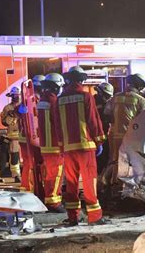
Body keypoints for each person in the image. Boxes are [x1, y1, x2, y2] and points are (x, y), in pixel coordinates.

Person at [58, 66, 107, 225]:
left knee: (71, 183)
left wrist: (61, 145)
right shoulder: (86, 96)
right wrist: (99, 140)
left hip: (68, 148)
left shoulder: (60, 99)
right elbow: (93, 120)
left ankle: (73, 217)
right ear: (81, 80)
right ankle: (94, 216)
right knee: (89, 180)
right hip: (85, 147)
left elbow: (56, 124)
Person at [104, 74, 145, 182]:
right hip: (132, 137)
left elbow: (106, 114)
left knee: (115, 160)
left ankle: (111, 183)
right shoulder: (141, 100)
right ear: (139, 86)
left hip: (115, 136)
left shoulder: (115, 97)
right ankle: (124, 185)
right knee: (131, 162)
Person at [38, 73, 66, 213]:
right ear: (56, 87)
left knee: (49, 173)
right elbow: (58, 123)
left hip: (44, 143)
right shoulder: (53, 101)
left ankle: (49, 197)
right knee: (56, 173)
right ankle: (53, 201)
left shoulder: (42, 100)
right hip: (54, 144)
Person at [0, 86, 22, 182]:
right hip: (13, 136)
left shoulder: (24, 106)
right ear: (11, 96)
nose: (16, 97)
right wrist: (11, 114)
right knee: (14, 156)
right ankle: (16, 175)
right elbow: (5, 123)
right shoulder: (7, 108)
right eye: (14, 95)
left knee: (27, 157)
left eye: (18, 95)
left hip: (25, 135)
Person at [94, 82, 114, 173]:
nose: (107, 98)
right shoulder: (93, 101)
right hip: (94, 135)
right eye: (106, 95)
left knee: (105, 157)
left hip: (105, 134)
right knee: (97, 158)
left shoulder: (109, 103)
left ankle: (102, 177)